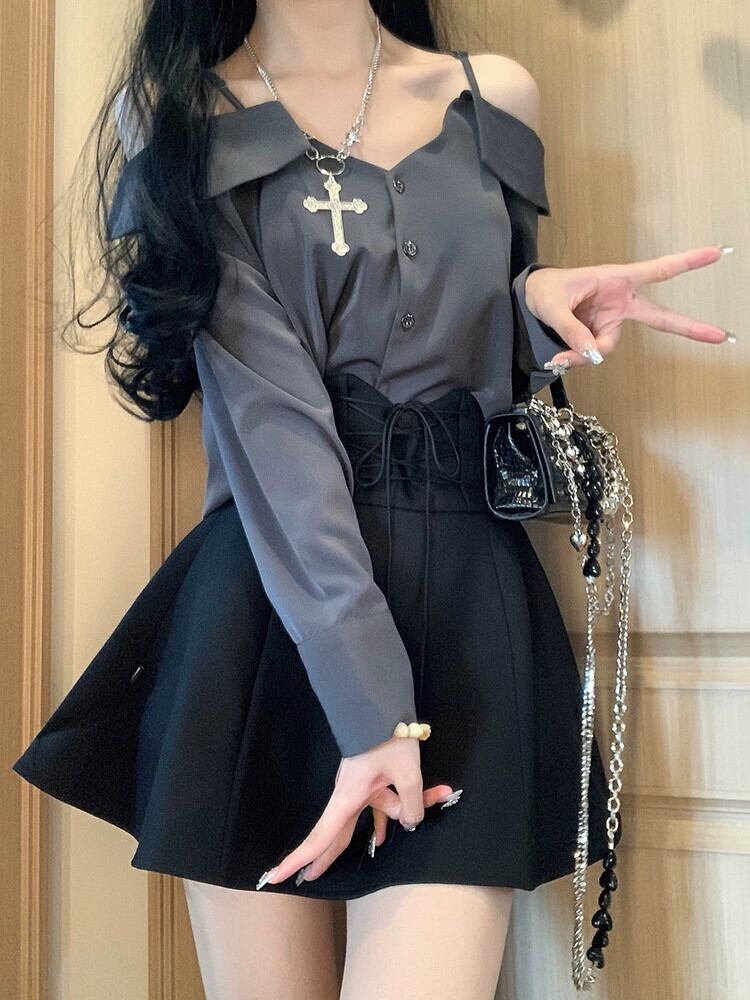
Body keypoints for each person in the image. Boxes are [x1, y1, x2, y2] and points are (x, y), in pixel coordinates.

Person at [12, 1, 734, 997]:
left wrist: (530, 306)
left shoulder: (494, 94)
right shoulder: (180, 108)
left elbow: (458, 342)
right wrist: (371, 707)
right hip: (270, 610)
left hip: (467, 603)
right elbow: (269, 419)